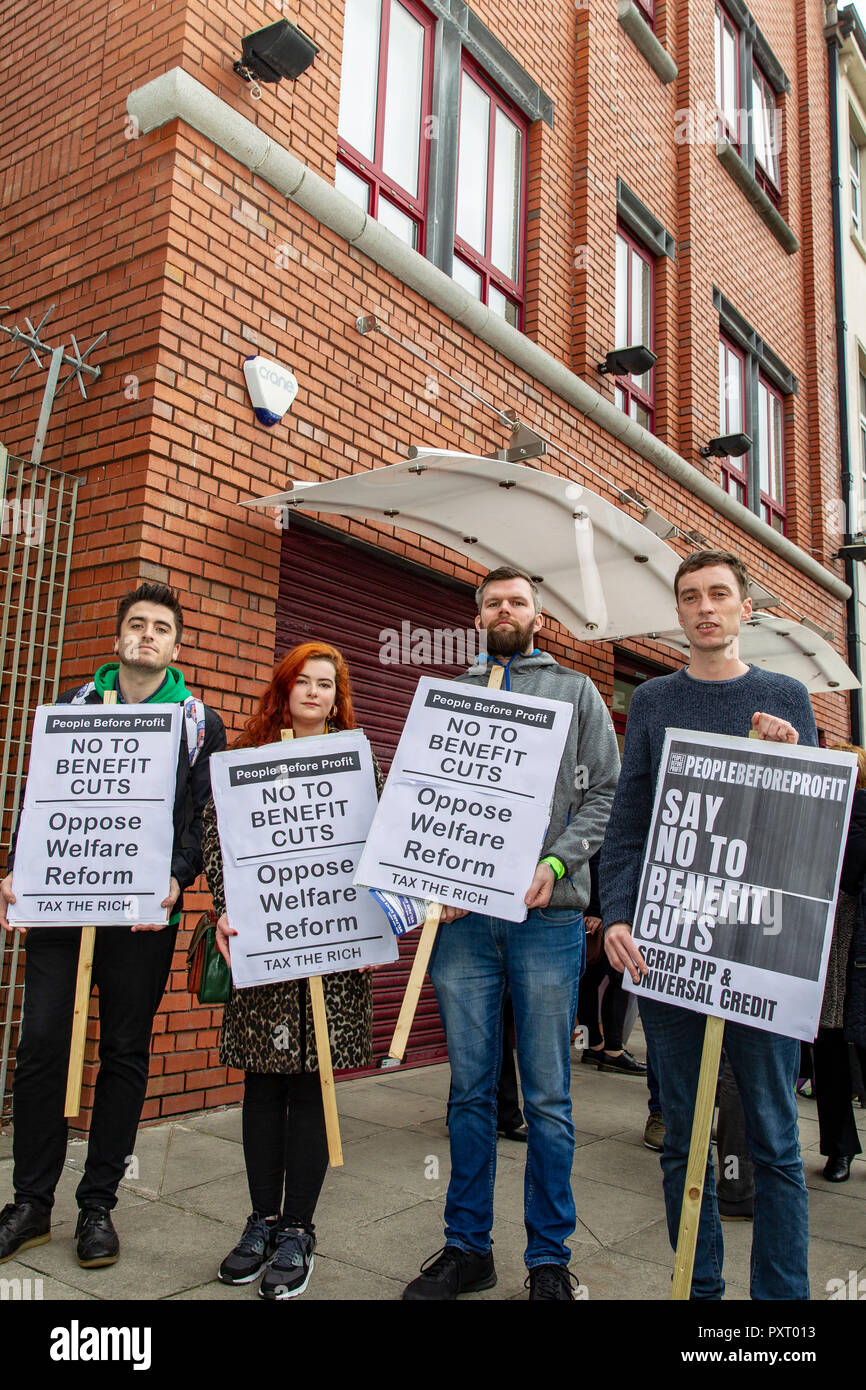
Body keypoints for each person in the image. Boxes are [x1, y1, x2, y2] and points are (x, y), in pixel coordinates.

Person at [600, 549, 817, 1300]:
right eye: (690, 596)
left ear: (746, 609)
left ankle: (781, 1307)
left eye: (719, 594)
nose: (705, 608)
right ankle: (701, 1295)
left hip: (759, 950)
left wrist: (791, 761)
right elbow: (628, 825)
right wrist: (617, 917)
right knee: (684, 1143)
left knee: (775, 1139)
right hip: (671, 953)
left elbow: (809, 840)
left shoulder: (787, 696)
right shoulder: (656, 700)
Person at [403, 566, 619, 1301]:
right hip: (463, 926)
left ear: (537, 616)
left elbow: (608, 794)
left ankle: (549, 1258)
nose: (505, 609)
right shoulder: (449, 695)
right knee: (467, 1091)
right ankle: (467, 1248)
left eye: (518, 601)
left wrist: (556, 864)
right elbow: (418, 803)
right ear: (476, 616)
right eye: (493, 601)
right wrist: (434, 873)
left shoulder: (577, 692)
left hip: (546, 920)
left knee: (551, 1096)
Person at [0, 583, 226, 1268]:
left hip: (142, 917)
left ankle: (98, 1205)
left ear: (176, 645)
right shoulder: (72, 706)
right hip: (63, 905)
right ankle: (31, 1204)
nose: (147, 635)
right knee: (42, 1043)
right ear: (119, 636)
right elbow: (44, 797)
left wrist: (178, 878)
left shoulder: (195, 719)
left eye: (161, 627)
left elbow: (201, 814)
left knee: (124, 1051)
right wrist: (17, 869)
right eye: (136, 623)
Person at [202, 642, 379, 1300]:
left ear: (339, 696)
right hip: (267, 947)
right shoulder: (247, 762)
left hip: (333, 955)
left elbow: (378, 847)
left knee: (311, 1086)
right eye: (301, 681)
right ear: (283, 689)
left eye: (325, 684)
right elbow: (219, 839)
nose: (313, 692)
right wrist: (224, 909)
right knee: (264, 1084)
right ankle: (260, 1222)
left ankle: (298, 1229)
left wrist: (373, 923)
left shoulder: (359, 763)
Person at [811, 743, 866, 1181]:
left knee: (840, 1049)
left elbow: (846, 872)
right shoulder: (819, 816)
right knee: (827, 1051)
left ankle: (840, 1151)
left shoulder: (854, 819)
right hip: (827, 947)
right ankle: (839, 1149)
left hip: (851, 943)